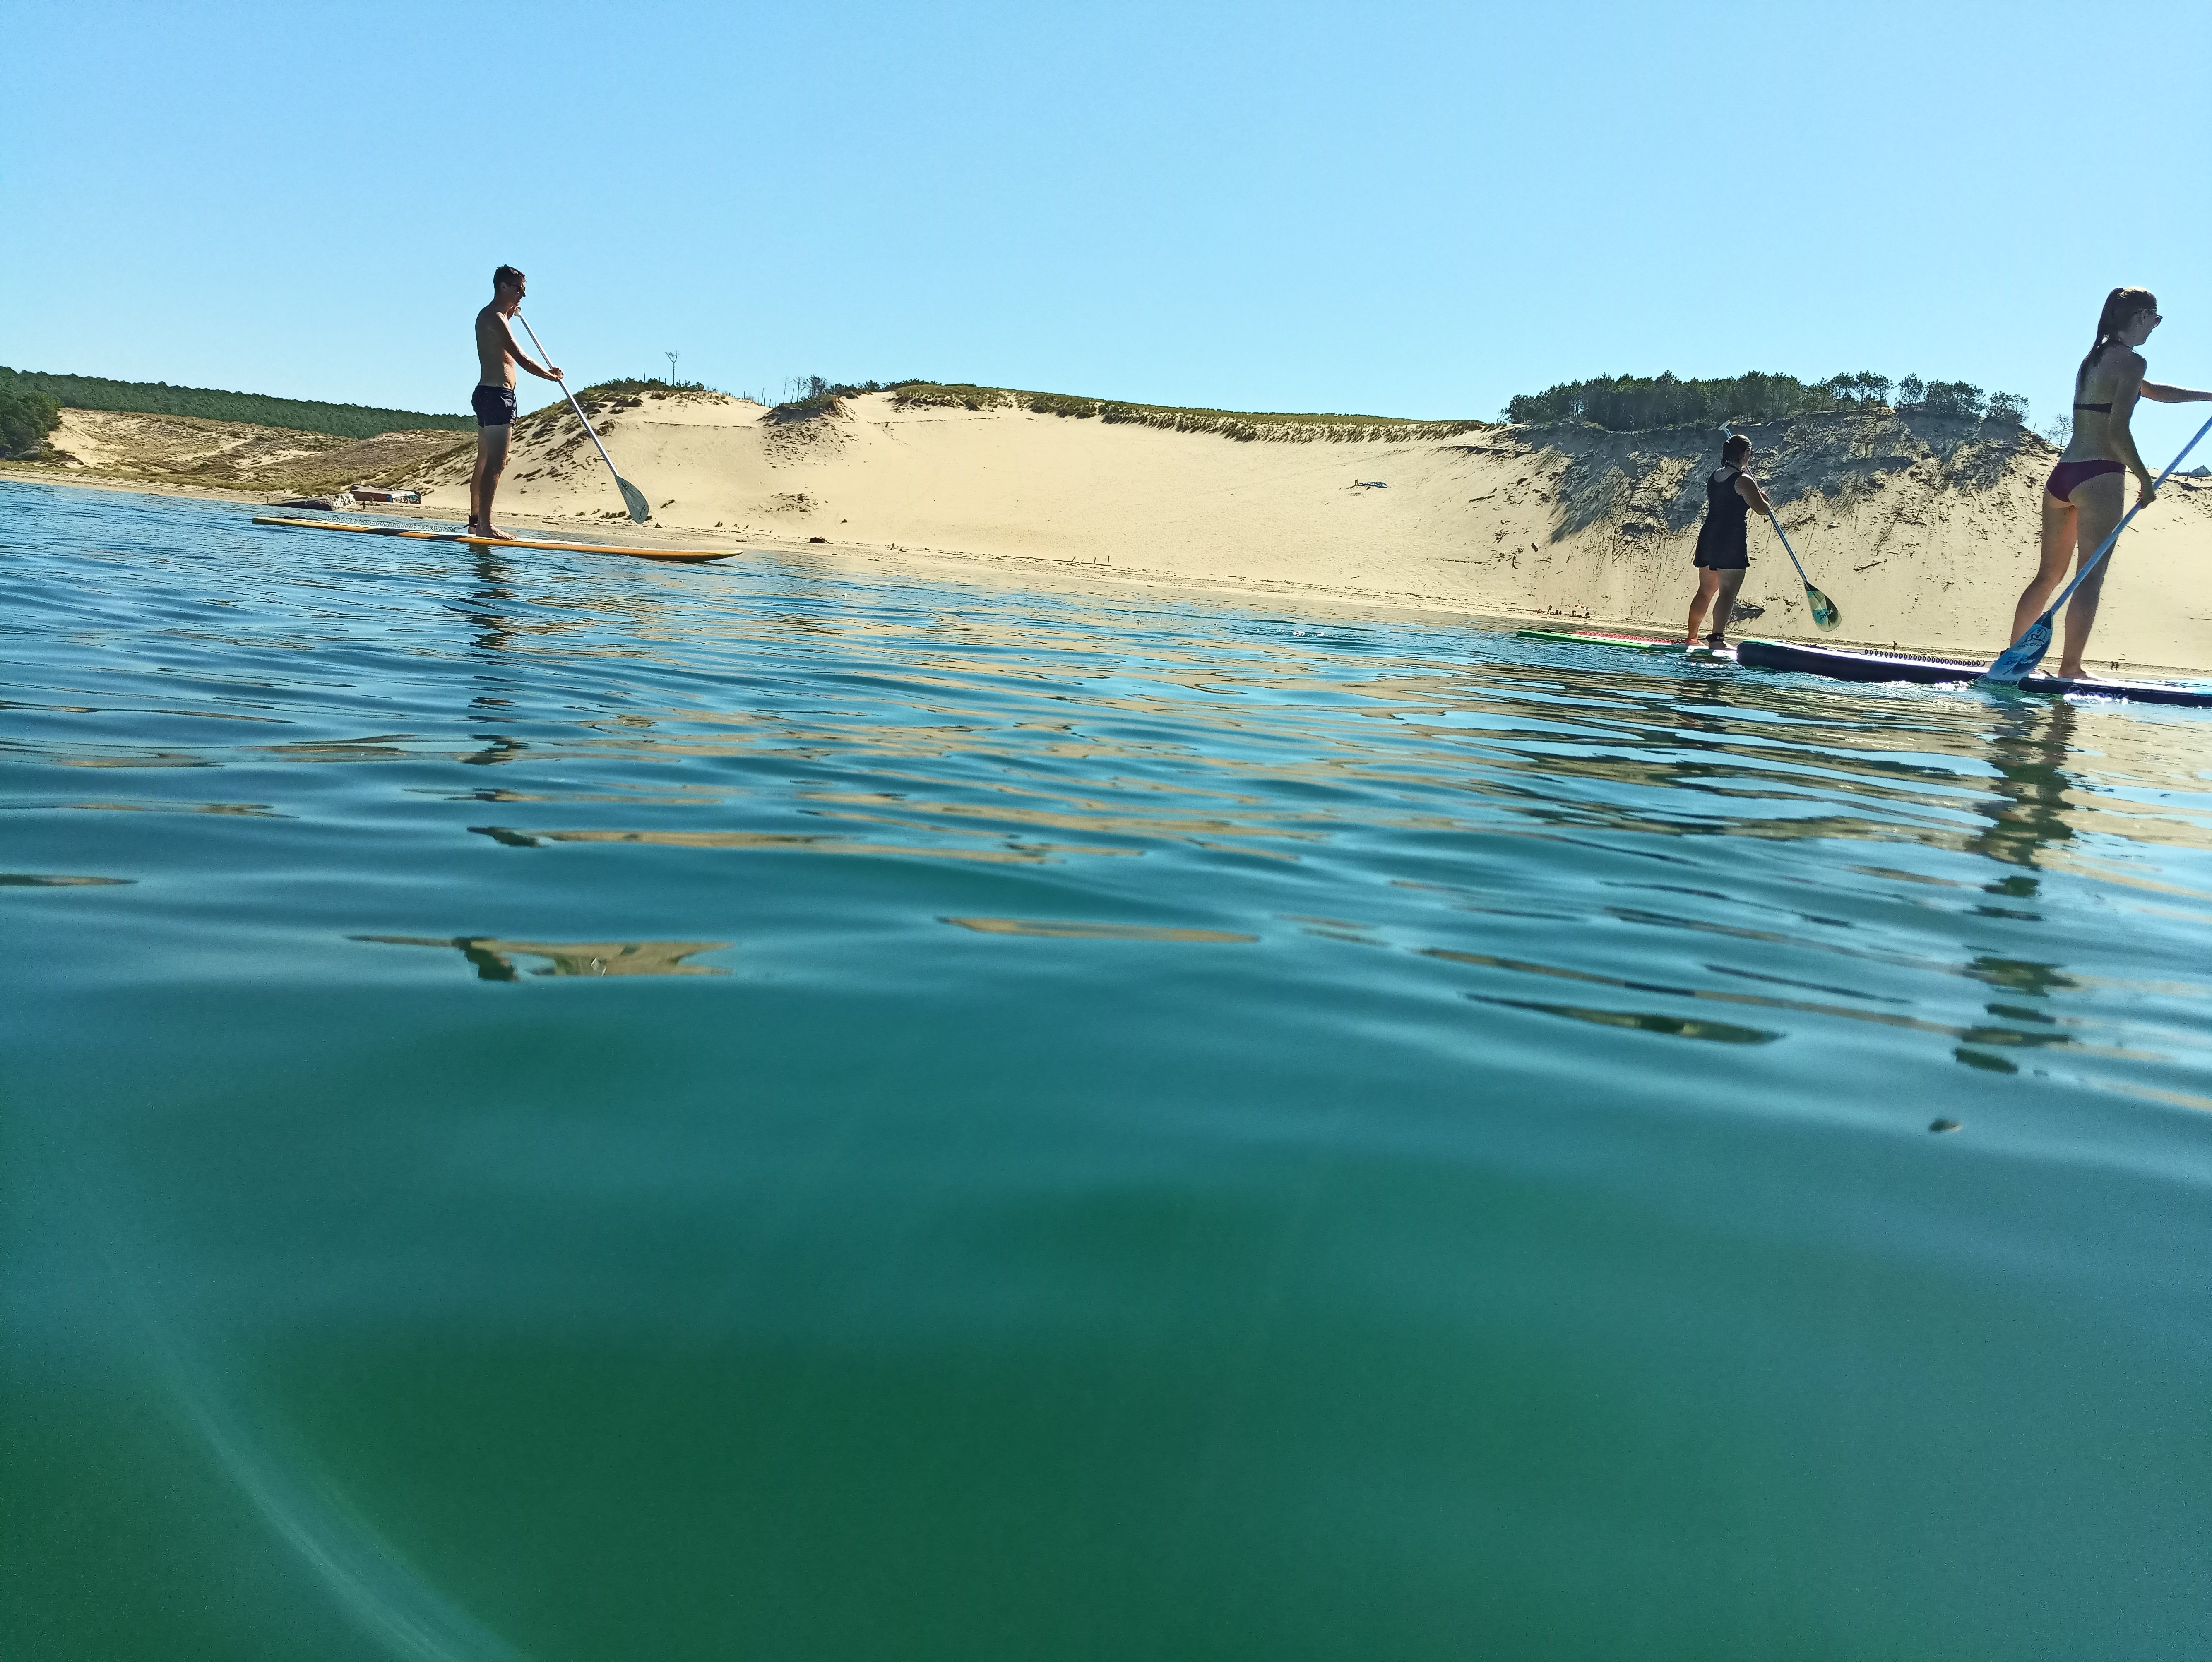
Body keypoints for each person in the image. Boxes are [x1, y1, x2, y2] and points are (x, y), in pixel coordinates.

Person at [2008, 286, 2211, 677]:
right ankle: (2070, 669)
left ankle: (2011, 660)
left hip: (2063, 476)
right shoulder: (2133, 361)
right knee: (2090, 576)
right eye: (2155, 318)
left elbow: (2152, 393)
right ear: (2140, 317)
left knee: (2048, 576)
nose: (2156, 326)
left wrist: (2209, 396)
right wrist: (2144, 479)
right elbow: (2118, 431)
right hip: (2099, 477)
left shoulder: (2095, 359)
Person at [469, 266, 563, 539]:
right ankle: (485, 526)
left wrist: (513, 311)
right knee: (496, 464)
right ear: (502, 287)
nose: (523, 294)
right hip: (498, 396)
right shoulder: (496, 317)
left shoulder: (496, 316)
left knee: (485, 460)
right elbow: (521, 358)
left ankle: (476, 523)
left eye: (524, 289)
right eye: (518, 288)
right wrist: (550, 375)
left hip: (488, 393)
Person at [1684, 432, 1774, 648]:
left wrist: (1755, 494)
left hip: (1709, 536)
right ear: (1744, 454)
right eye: (1750, 453)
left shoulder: (1715, 476)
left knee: (1705, 591)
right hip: (1730, 539)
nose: (1750, 457)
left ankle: (1692, 637)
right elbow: (1762, 509)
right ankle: (1717, 640)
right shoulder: (1743, 480)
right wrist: (1764, 499)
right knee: (1727, 592)